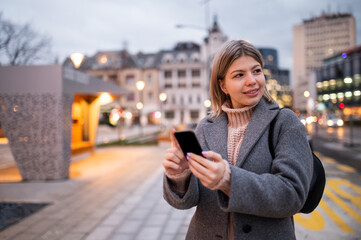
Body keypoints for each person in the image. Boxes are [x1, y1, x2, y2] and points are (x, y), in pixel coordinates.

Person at [162, 40, 313, 240]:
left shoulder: (285, 122)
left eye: (257, 71)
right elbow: (188, 201)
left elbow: (293, 195)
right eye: (239, 75)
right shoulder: (206, 127)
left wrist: (228, 180)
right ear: (223, 85)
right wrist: (180, 176)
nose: (252, 80)